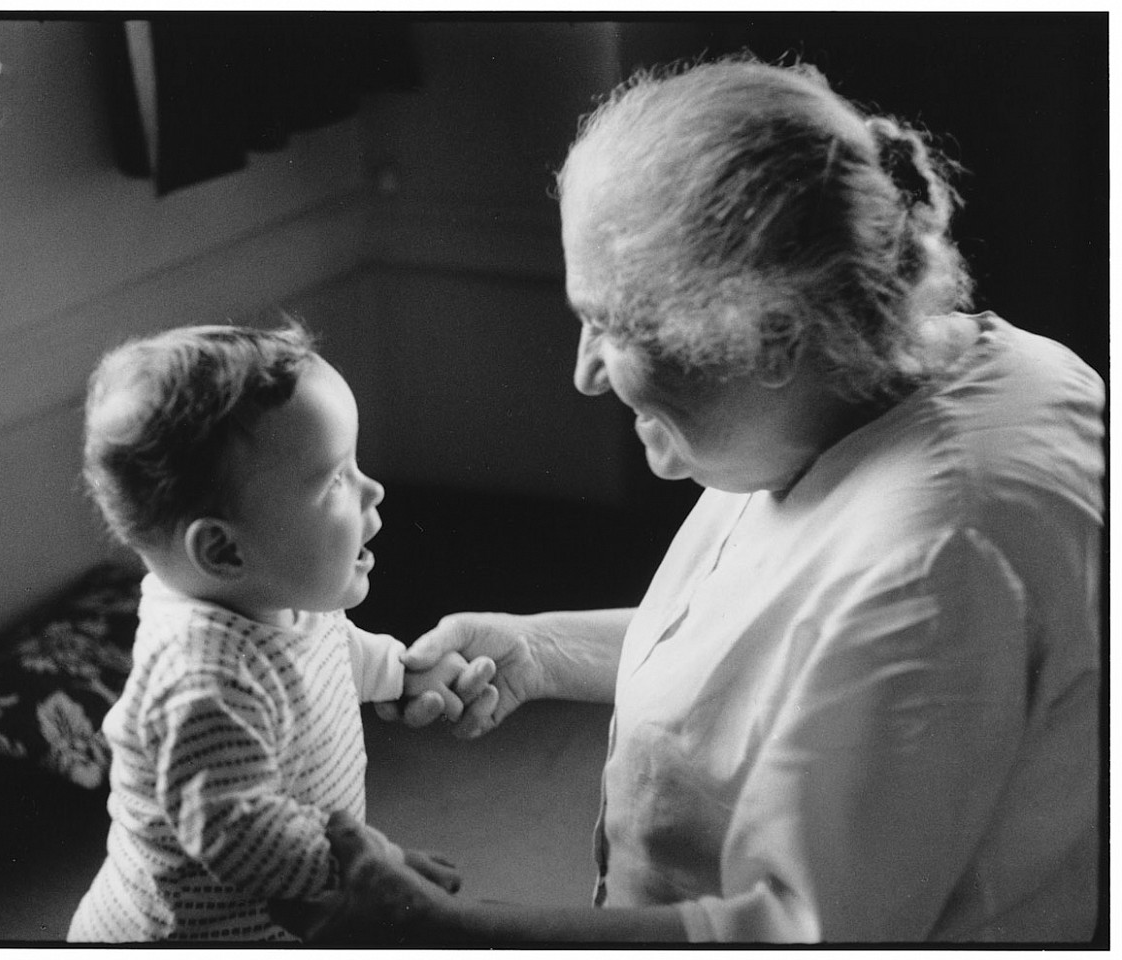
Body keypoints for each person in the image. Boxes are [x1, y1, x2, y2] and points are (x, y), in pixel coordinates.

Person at [272, 58, 1105, 944]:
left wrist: (449, 929)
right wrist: (540, 648)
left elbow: (798, 936)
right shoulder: (904, 377)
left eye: (615, 328)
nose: (584, 374)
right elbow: (781, 645)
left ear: (774, 338)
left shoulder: (937, 563)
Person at [67, 321, 494, 942]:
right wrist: (375, 868)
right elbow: (240, 833)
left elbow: (327, 650)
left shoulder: (275, 596)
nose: (372, 489)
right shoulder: (204, 683)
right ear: (223, 549)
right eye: (335, 481)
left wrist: (401, 671)